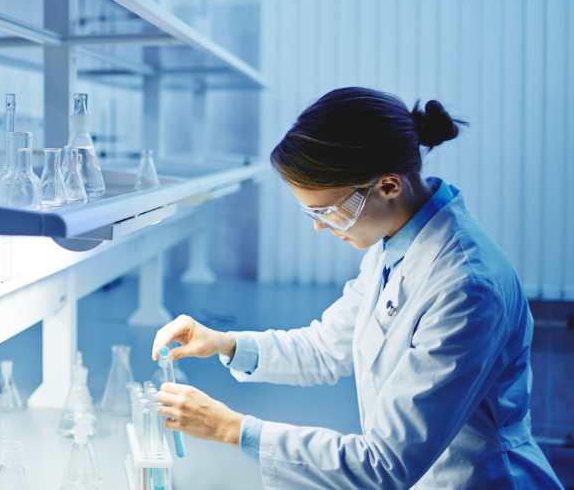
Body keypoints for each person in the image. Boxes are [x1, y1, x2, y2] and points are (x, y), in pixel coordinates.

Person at [151, 88, 562, 489]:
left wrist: (231, 428)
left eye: (327, 211)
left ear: (387, 186)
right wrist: (225, 343)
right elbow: (327, 346)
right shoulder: (395, 244)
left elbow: (385, 464)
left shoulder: (467, 287)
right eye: (309, 212)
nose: (318, 226)